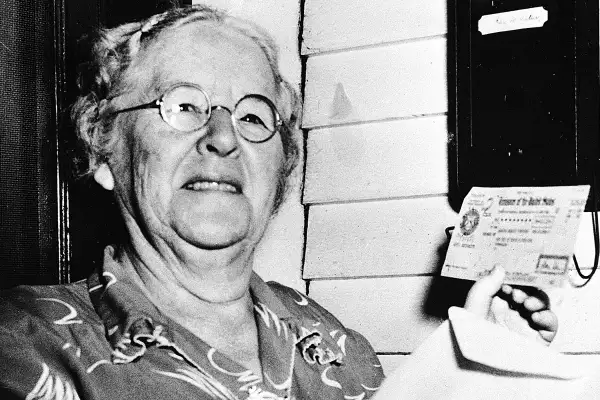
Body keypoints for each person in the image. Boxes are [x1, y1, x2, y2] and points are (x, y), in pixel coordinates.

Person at [0, 4, 558, 400]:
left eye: (251, 116)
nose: (223, 137)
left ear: (280, 168)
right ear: (103, 151)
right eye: (184, 105)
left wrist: (476, 371)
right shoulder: (26, 349)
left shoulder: (339, 346)